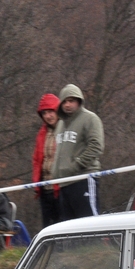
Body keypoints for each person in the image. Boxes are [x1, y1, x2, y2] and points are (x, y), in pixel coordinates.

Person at [52, 84, 104, 220]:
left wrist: (76, 165)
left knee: (89, 222)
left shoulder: (90, 118)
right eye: (64, 101)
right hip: (64, 183)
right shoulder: (60, 124)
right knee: (69, 226)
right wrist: (55, 172)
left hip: (83, 179)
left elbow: (96, 146)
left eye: (71, 101)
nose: (67, 105)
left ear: (79, 101)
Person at [32, 93, 61, 228]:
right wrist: (36, 183)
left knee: (64, 224)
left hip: (61, 187)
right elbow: (37, 160)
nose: (48, 116)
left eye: (51, 111)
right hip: (44, 188)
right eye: (44, 113)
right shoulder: (41, 133)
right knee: (48, 227)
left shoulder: (66, 129)